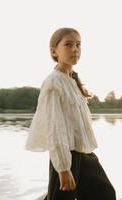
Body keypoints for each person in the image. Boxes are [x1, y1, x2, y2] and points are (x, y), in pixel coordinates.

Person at [24, 27, 116, 200]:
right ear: (54, 51)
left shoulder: (72, 80)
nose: (75, 49)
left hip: (84, 152)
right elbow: (55, 128)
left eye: (78, 45)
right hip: (67, 155)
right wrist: (63, 168)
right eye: (68, 45)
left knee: (104, 193)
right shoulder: (53, 83)